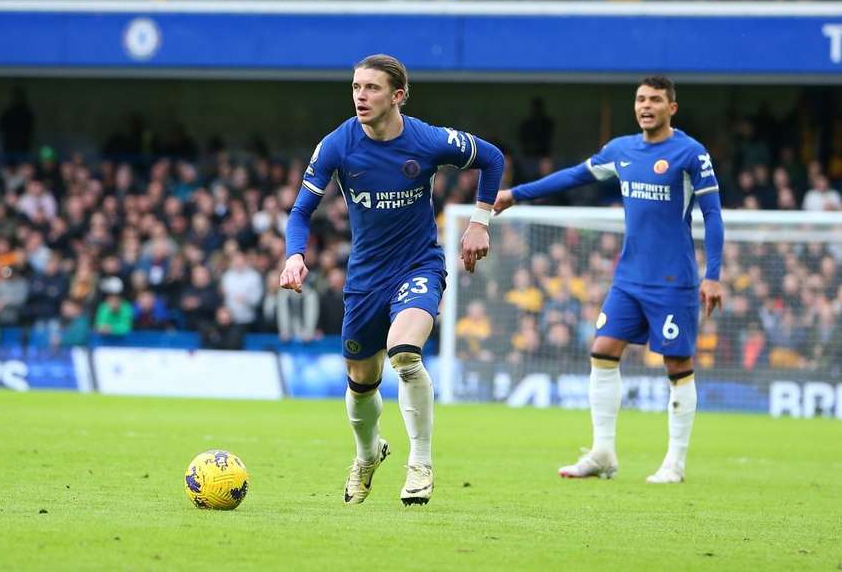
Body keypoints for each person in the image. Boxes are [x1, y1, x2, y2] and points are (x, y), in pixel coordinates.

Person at [281, 54, 504, 506]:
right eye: (356, 87)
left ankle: (420, 462)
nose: (360, 96)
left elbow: (493, 158)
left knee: (405, 354)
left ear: (397, 95)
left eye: (372, 88)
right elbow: (301, 211)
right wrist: (294, 255)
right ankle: (368, 453)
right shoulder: (337, 145)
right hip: (365, 279)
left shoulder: (427, 139)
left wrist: (480, 221)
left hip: (419, 265)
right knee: (361, 383)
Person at [494, 76, 724, 484]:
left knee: (677, 364)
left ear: (672, 107)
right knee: (602, 350)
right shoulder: (621, 151)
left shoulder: (690, 154)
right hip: (629, 278)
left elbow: (714, 215)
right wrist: (516, 194)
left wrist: (714, 276)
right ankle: (603, 452)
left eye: (655, 99)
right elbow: (571, 177)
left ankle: (675, 462)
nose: (646, 105)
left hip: (674, 281)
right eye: (640, 99)